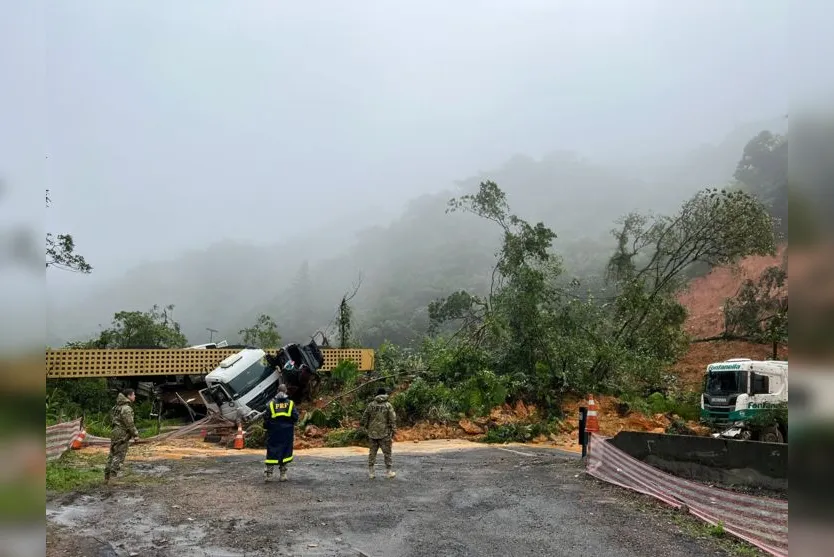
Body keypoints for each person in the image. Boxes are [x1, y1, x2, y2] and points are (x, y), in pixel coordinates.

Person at [104, 388, 141, 484]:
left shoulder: (116, 407)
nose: (135, 396)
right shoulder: (126, 408)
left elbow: (111, 419)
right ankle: (113, 478)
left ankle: (107, 477)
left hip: (115, 431)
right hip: (122, 433)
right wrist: (135, 434)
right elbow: (129, 423)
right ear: (128, 396)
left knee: (112, 453)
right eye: (133, 394)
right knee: (119, 455)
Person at [263, 384, 299, 482]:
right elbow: (295, 417)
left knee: (272, 451)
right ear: (286, 391)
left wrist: (266, 427)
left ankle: (269, 475)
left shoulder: (271, 404)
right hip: (287, 433)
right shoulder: (290, 403)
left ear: (277, 391)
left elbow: (266, 419)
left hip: (274, 432)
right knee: (285, 451)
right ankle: (283, 474)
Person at [361, 387, 397, 479]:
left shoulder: (371, 405)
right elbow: (392, 419)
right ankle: (388, 472)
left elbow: (365, 417)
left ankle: (371, 472)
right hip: (384, 433)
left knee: (372, 452)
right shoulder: (388, 405)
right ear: (385, 394)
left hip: (372, 433)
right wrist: (394, 430)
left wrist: (365, 427)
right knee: (387, 453)